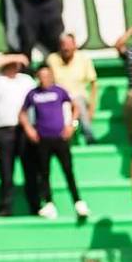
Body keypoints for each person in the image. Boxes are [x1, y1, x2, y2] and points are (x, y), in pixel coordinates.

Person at [21, 65, 86, 220]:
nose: (44, 79)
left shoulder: (59, 91)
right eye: (41, 76)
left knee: (68, 170)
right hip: (43, 139)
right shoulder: (33, 94)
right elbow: (22, 113)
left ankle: (78, 202)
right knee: (44, 173)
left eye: (47, 75)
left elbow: (75, 107)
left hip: (60, 138)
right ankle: (49, 203)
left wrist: (72, 125)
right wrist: (29, 129)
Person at [0, 56, 37, 215]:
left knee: (29, 169)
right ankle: (5, 207)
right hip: (4, 129)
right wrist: (16, 56)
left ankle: (35, 205)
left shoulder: (26, 80)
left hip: (24, 129)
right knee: (5, 171)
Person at [47, 34, 97, 144]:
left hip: (79, 97)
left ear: (75, 45)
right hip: (60, 98)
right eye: (63, 45)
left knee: (78, 104)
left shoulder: (83, 58)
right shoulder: (52, 59)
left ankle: (87, 134)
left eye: (68, 45)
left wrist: (92, 107)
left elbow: (93, 83)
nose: (66, 48)